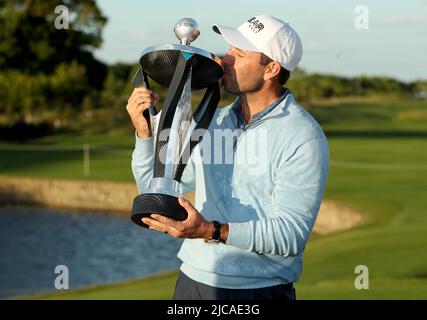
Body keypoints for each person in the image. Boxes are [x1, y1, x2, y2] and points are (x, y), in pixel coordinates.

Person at [126, 15, 329, 300]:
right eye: (230, 49)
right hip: (193, 281)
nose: (226, 58)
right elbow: (155, 188)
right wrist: (144, 136)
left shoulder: (303, 135)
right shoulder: (214, 122)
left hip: (259, 290)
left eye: (240, 53)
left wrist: (210, 230)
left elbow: (291, 235)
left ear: (271, 68)